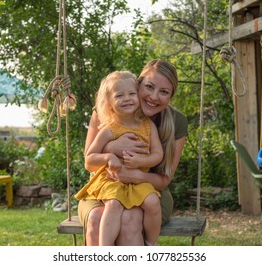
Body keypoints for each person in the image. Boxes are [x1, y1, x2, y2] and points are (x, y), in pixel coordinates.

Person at [78, 59, 188, 245]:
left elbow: (163, 180)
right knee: (96, 218)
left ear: (171, 96)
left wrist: (134, 175)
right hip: (105, 186)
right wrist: (112, 149)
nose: (154, 97)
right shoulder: (107, 110)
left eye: (164, 92)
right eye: (149, 87)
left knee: (130, 220)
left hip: (150, 189)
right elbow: (90, 161)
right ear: (138, 84)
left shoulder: (176, 121)